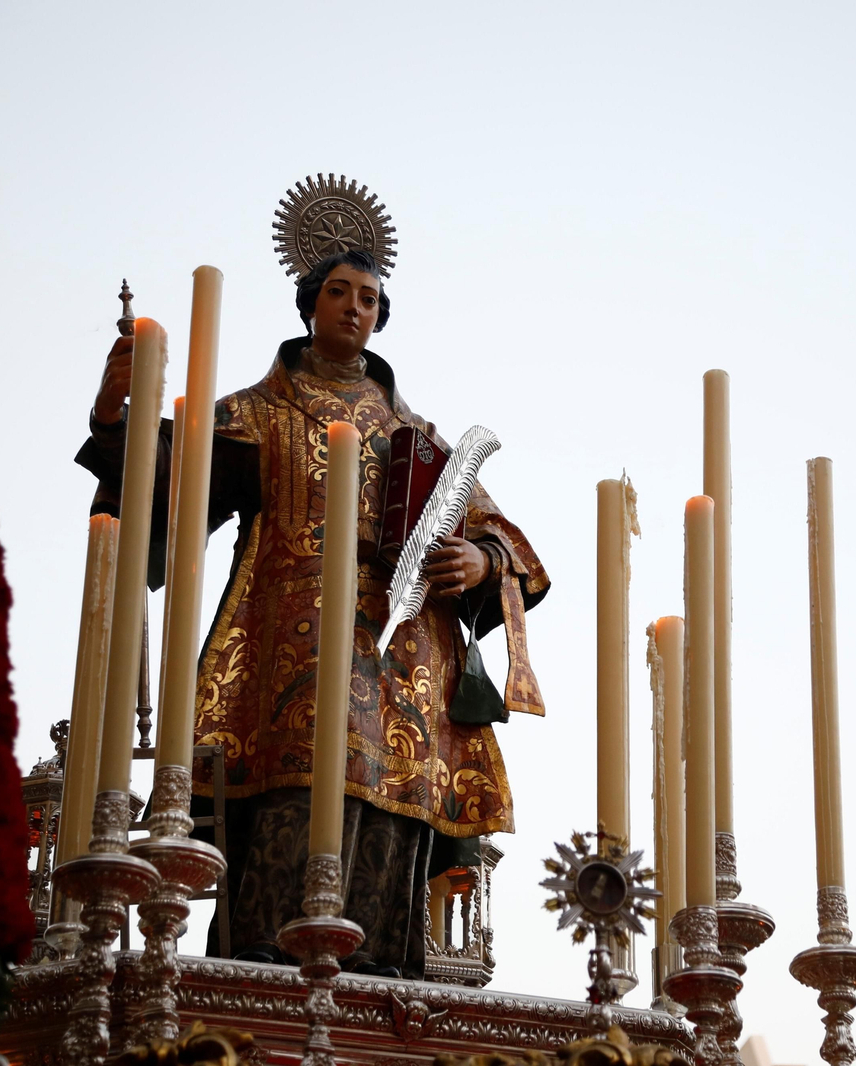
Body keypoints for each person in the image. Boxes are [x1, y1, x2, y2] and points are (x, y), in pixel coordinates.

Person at [76, 247, 549, 977]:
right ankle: (265, 948)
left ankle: (384, 959)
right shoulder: (258, 412)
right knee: (292, 782)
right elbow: (166, 476)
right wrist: (116, 416)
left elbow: (497, 532)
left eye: (368, 297)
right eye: (339, 292)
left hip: (405, 648)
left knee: (393, 792)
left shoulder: (417, 435)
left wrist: (482, 562)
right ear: (310, 305)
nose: (354, 307)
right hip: (290, 642)